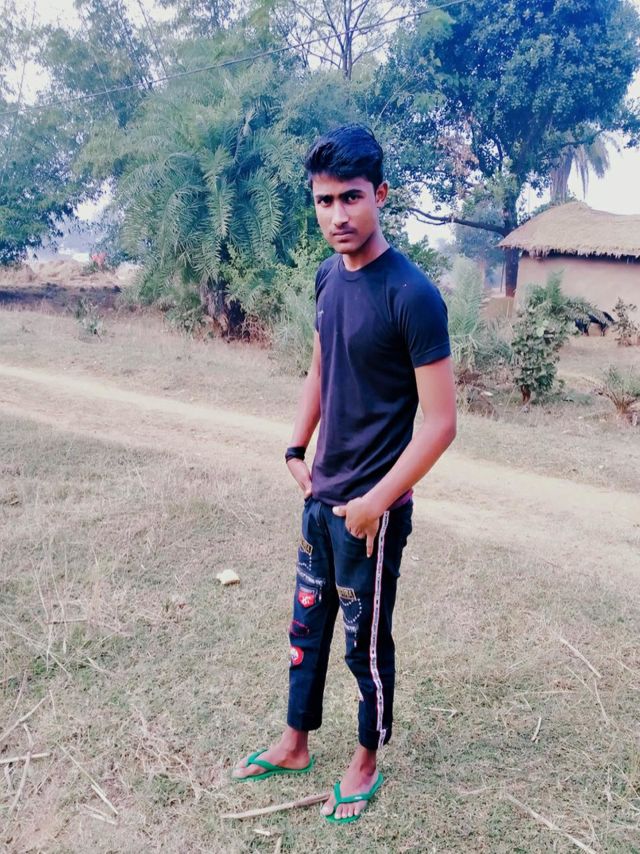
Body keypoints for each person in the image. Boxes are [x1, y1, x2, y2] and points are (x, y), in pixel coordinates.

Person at [232, 124, 457, 823]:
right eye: (324, 201)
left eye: (351, 197)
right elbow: (321, 367)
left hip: (370, 515)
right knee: (306, 628)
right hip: (319, 498)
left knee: (364, 643)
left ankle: (364, 761)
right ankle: (295, 741)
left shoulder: (412, 294)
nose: (337, 215)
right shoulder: (328, 276)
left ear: (380, 195)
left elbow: (440, 423)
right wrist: (295, 449)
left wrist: (376, 503)